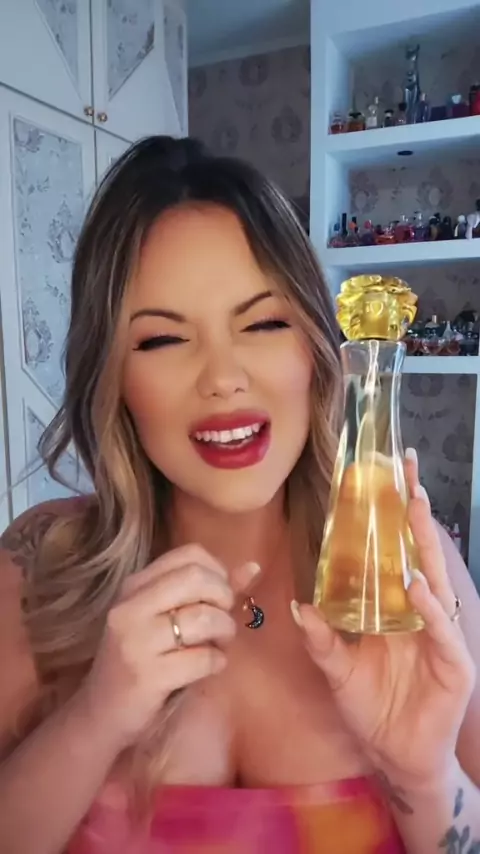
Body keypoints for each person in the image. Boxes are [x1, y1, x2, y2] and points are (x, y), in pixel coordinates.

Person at [0, 137, 479, 854]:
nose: (223, 378)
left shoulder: (410, 569)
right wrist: (96, 718)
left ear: (316, 350)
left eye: (263, 323)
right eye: (163, 340)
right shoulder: (40, 567)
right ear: (114, 378)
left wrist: (425, 774)